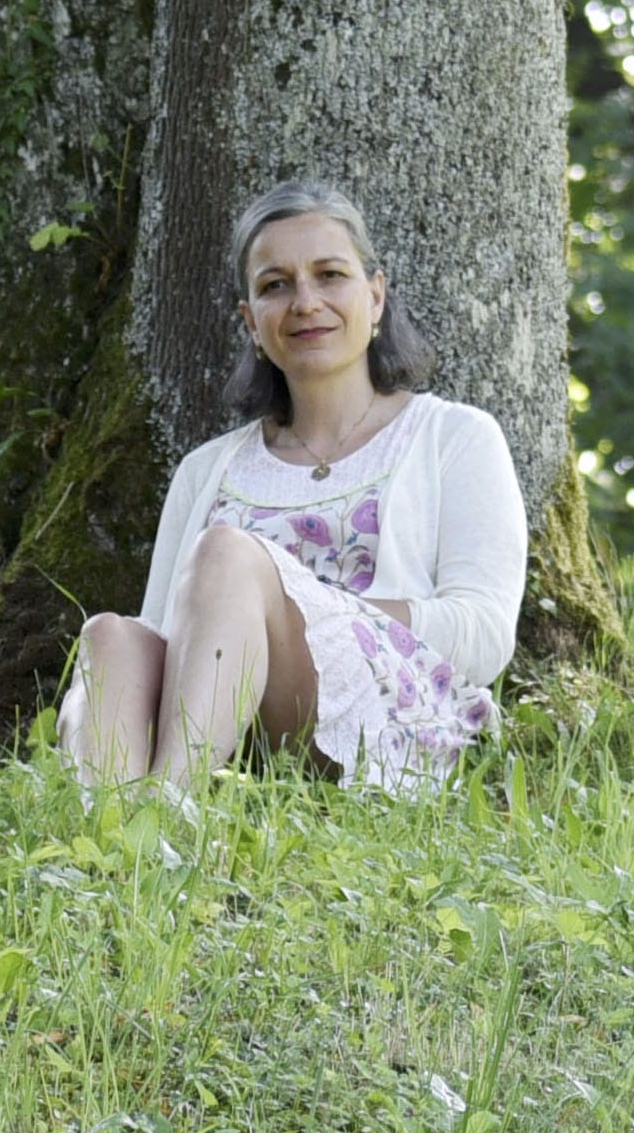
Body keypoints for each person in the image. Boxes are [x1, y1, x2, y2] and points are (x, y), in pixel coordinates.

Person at [59, 181, 527, 794]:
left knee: (229, 555)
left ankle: (168, 801)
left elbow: (485, 634)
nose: (305, 302)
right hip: (231, 726)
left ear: (376, 296)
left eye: (330, 275)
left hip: (391, 722)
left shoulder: (454, 437)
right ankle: (109, 833)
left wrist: (290, 608)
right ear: (252, 322)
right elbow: (163, 645)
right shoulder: (207, 470)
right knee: (111, 636)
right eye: (276, 285)